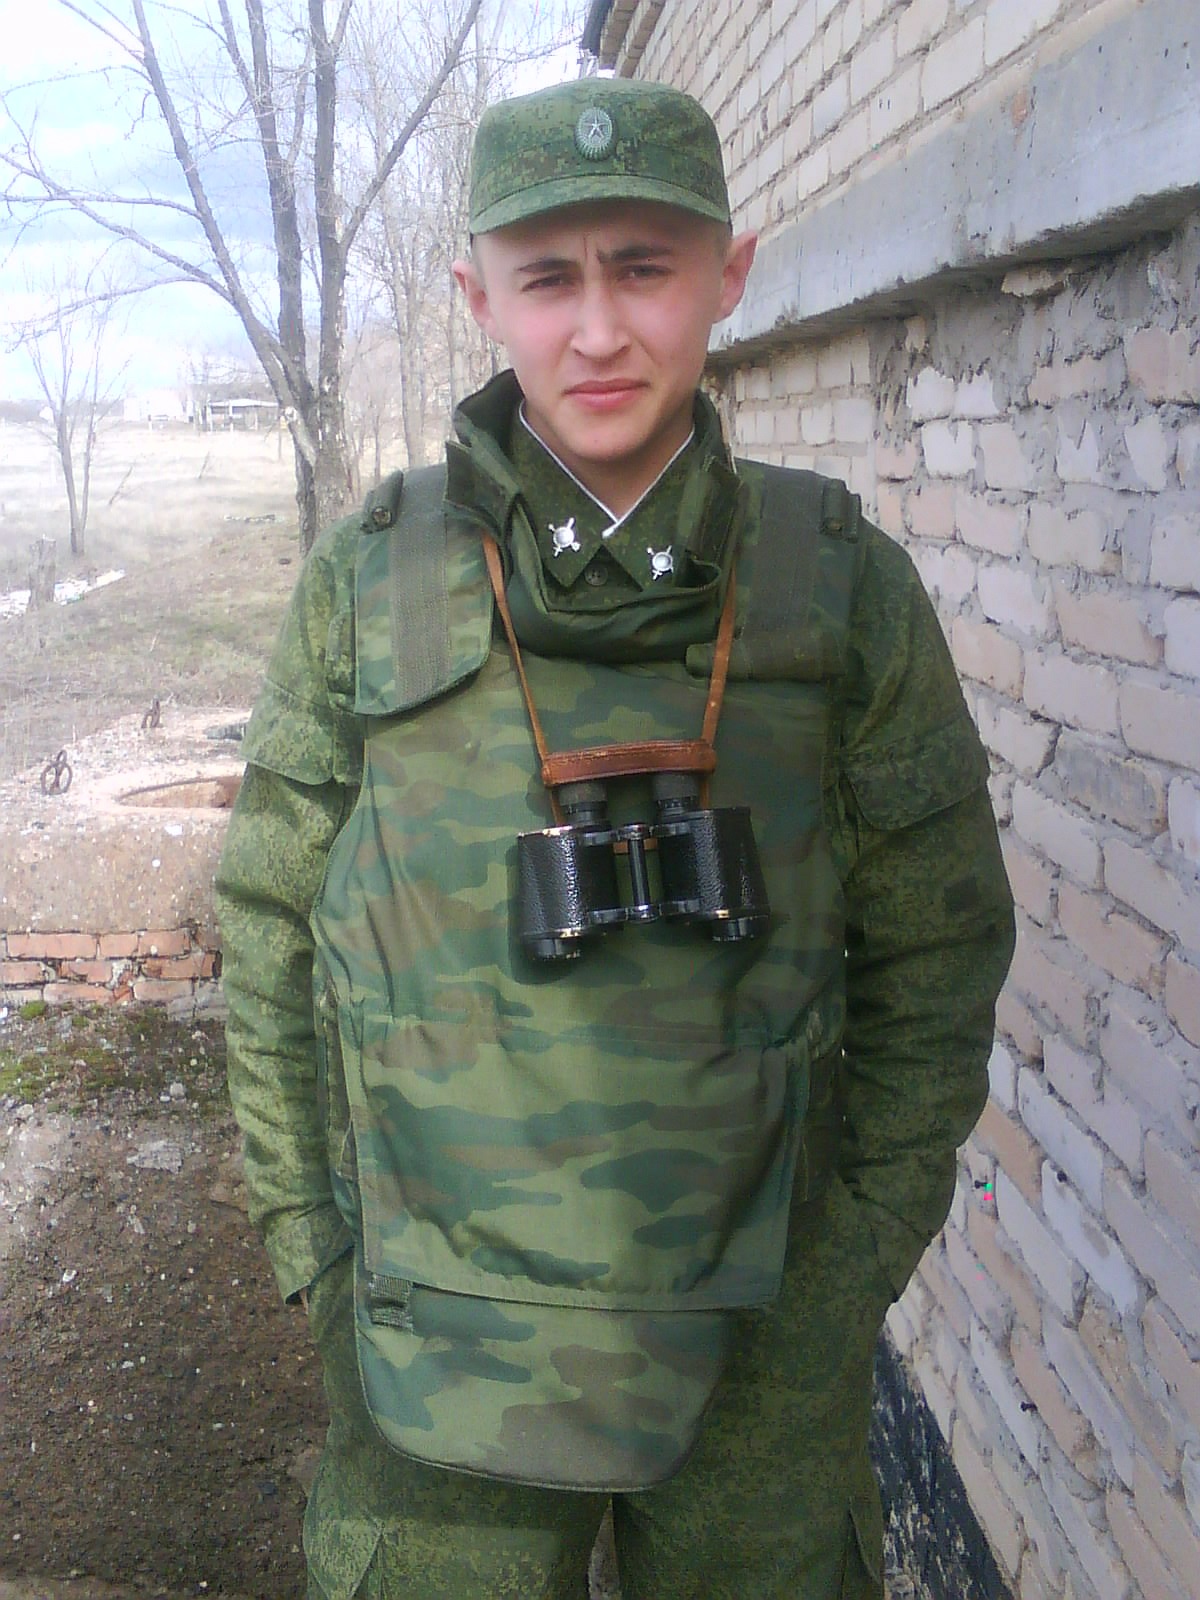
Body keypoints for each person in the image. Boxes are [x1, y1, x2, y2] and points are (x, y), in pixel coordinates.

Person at [216, 76, 1014, 1600]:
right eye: (549, 278)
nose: (597, 330)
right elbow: (265, 930)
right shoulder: (370, 589)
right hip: (437, 1359)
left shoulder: (838, 591)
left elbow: (944, 946)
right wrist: (315, 1251)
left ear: (730, 274)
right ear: (478, 298)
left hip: (759, 1361)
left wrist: (846, 1274)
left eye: (644, 268)